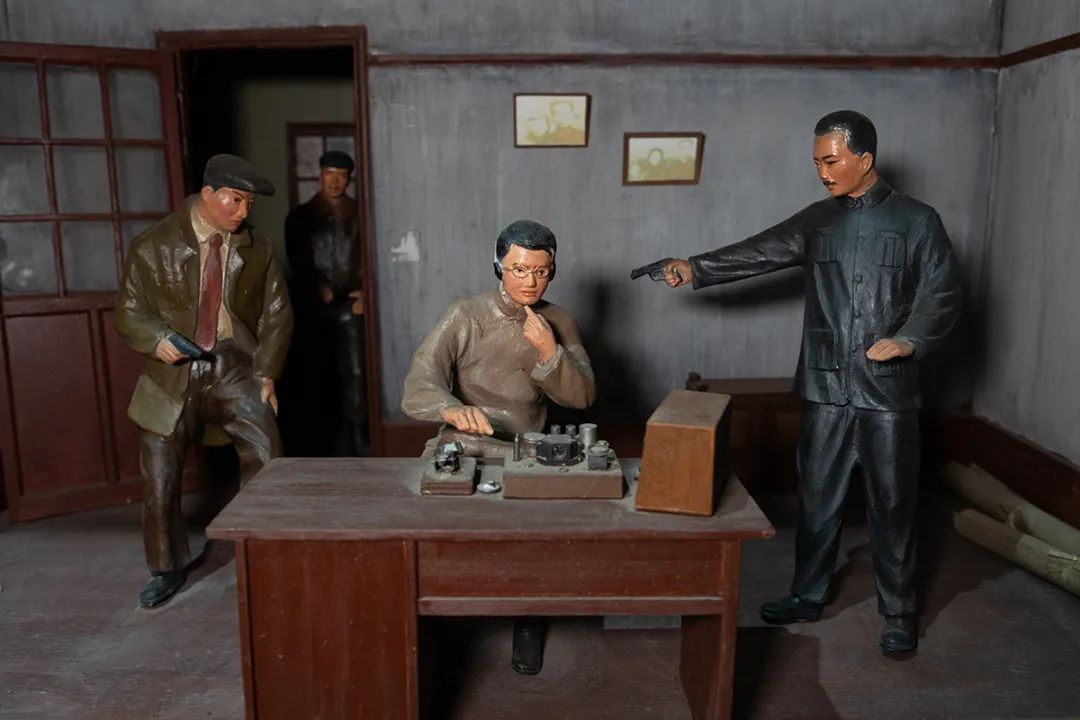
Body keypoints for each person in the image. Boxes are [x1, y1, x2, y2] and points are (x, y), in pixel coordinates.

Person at [645, 110, 961, 655]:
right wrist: (695, 268)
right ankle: (807, 593)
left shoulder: (917, 221)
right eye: (816, 163)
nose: (822, 172)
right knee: (817, 497)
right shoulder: (818, 220)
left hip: (888, 391)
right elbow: (761, 249)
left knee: (894, 504)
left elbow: (944, 291)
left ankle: (899, 610)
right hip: (825, 388)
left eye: (831, 161)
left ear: (865, 159)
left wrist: (909, 339)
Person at [401, 219, 595, 673]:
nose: (530, 281)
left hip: (528, 447)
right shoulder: (465, 315)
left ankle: (528, 618)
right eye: (519, 269)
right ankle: (435, 617)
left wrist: (549, 352)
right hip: (466, 440)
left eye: (541, 271)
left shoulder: (559, 322)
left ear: (552, 270)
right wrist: (450, 408)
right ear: (498, 267)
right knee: (435, 517)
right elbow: (420, 380)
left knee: (534, 538)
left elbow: (583, 397)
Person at [115, 154, 292, 609]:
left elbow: (277, 315)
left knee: (267, 452)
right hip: (171, 372)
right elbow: (128, 312)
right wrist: (157, 339)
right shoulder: (153, 245)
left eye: (249, 204)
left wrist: (267, 372)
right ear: (208, 193)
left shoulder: (258, 249)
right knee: (159, 473)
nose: (243, 212)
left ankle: (262, 553)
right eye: (235, 200)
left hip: (234, 364)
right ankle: (166, 566)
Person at [283, 150, 367, 456]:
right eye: (329, 174)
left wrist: (366, 294)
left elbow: (371, 259)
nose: (335, 181)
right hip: (313, 307)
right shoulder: (300, 217)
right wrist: (317, 286)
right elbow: (298, 261)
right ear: (320, 175)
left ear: (349, 179)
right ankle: (317, 439)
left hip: (352, 306)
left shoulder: (361, 215)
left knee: (356, 372)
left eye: (341, 175)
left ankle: (358, 434)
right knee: (315, 372)